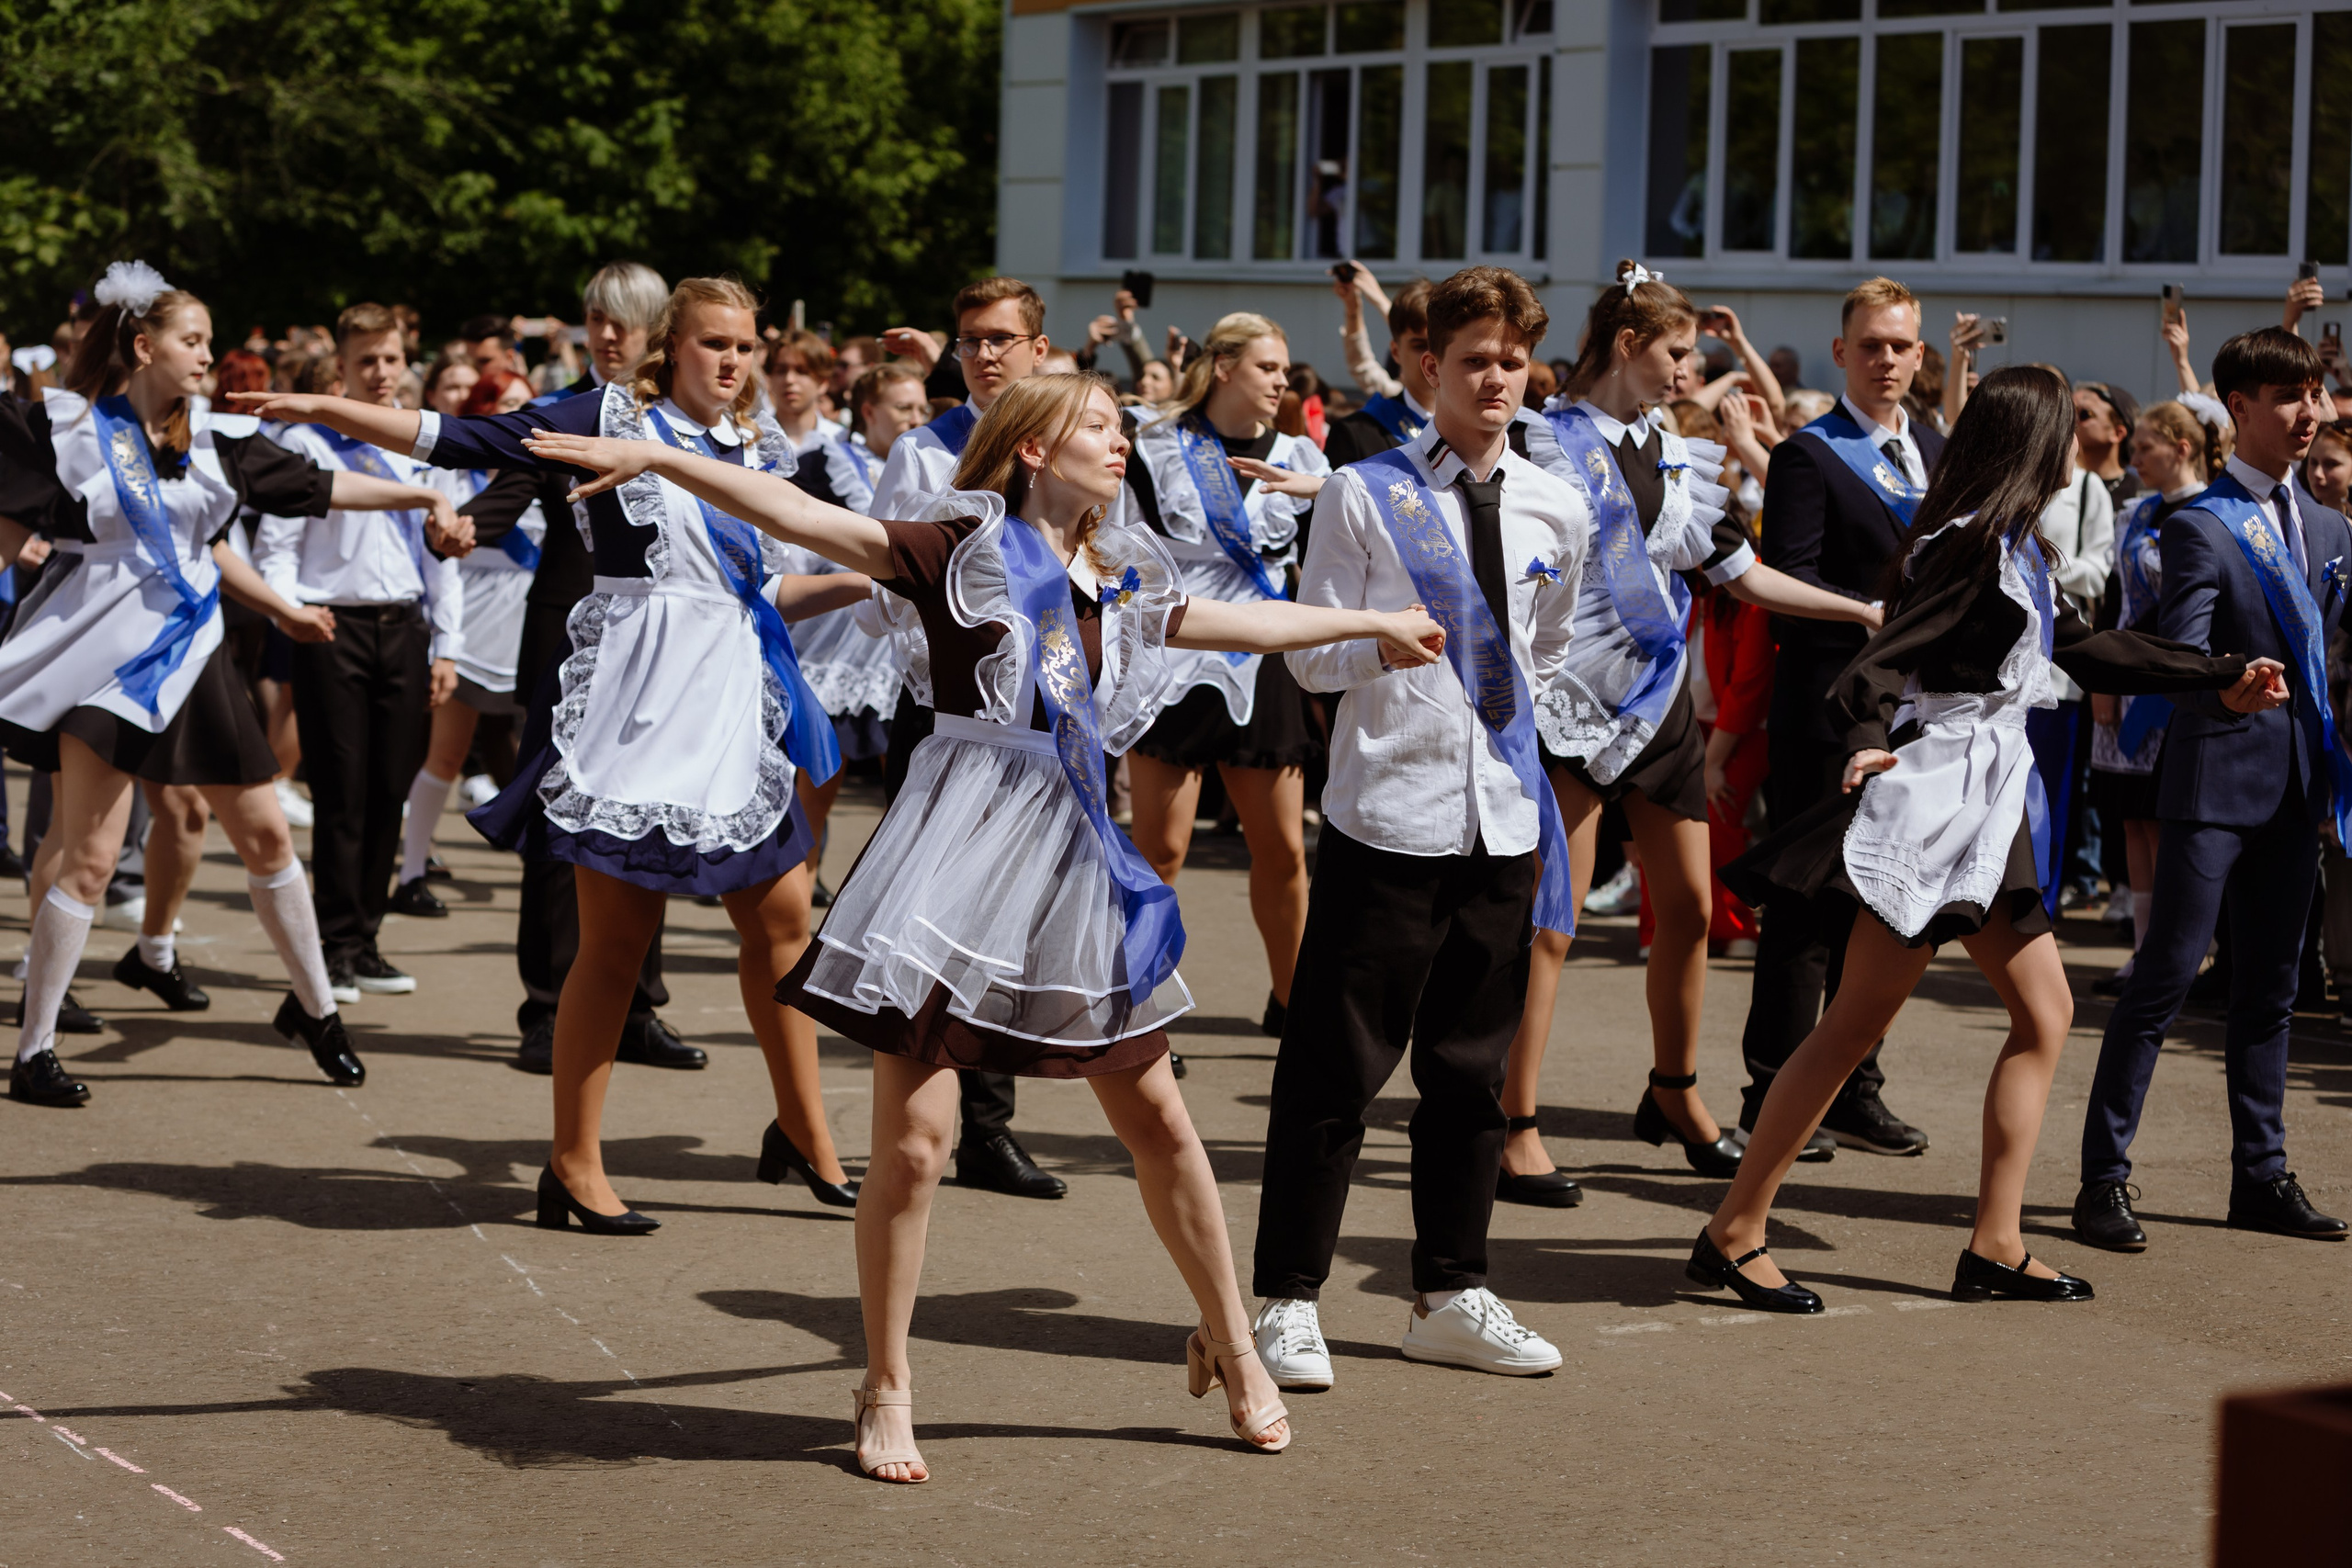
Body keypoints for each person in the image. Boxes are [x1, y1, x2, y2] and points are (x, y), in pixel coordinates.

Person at [526, 372, 1451, 1480]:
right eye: (1097, 429)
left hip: (1068, 861)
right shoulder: (955, 548)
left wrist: (1374, 620)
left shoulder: (1111, 579)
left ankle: (1233, 1344)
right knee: (915, 1148)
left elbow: (1242, 622)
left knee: (1158, 1120)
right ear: (1028, 449)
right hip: (952, 859)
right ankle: (885, 1384)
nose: (1119, 445)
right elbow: (806, 518)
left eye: (1120, 428)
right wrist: (667, 461)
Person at [233, 276, 870, 1222]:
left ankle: (803, 1130)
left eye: (745, 347)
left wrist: (866, 586)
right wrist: (330, 407)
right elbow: (462, 441)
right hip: (637, 705)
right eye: (713, 344)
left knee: (782, 925)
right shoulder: (604, 414)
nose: (733, 363)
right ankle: (573, 1164)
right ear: (670, 345)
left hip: (735, 700)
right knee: (615, 944)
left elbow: (753, 596)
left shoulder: (755, 447)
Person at [1696, 367, 2282, 1313]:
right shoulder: (1966, 545)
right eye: (2066, 432)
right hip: (1934, 800)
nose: (2082, 448)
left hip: (1988, 806)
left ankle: (1995, 1244)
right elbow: (1882, 658)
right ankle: (1733, 1231)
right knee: (1850, 1026)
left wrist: (2214, 673)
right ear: (2033, 444)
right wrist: (1862, 741)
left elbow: (2088, 648)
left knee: (2041, 1016)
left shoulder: (2019, 550)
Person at [1, 262, 457, 1105]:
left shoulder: (210, 438)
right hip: (101, 659)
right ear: (144, 347)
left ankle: (316, 1009)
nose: (208, 354)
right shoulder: (64, 426)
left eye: (210, 340)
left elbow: (320, 488)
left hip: (192, 656)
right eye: (194, 339)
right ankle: (35, 1050)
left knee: (268, 840)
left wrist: (418, 491)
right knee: (92, 860)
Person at [1253, 265, 1586, 1390]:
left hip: (1498, 822)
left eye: (1511, 360)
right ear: (1426, 366)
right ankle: (1287, 1299)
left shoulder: (1557, 504)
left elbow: (1542, 657)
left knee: (1470, 1074)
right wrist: (1374, 644)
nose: (1494, 379)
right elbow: (1306, 649)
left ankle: (1451, 1287)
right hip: (1386, 815)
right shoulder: (1361, 490)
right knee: (1333, 1073)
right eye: (1472, 359)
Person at [1499, 263, 1883, 1201]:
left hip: (1660, 701)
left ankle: (1672, 1093)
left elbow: (1739, 572)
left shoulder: (1673, 449)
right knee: (1552, 923)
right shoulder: (1541, 438)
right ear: (1630, 346)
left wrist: (1860, 612)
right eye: (1677, 352)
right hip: (1570, 707)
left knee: (1693, 913)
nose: (1688, 370)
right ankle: (1513, 1124)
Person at [2075, 327, 2352, 1252]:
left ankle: (2260, 1176)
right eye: (2287, 397)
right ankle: (2102, 1180)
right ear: (2237, 410)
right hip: (2210, 783)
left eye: (2313, 395)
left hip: (2295, 785)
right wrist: (2223, 677)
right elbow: (2176, 652)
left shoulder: (2327, 527)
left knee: (2271, 991)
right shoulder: (2197, 524)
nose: (2308, 413)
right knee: (2162, 981)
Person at [449, 262, 699, 1074]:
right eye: (596, 316)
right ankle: (547, 1009)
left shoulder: (680, 418)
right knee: (559, 827)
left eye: (623, 319)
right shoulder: (569, 410)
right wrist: (462, 527)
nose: (606, 333)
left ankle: (638, 1008)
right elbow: (510, 482)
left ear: (656, 329)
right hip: (569, 638)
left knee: (651, 818)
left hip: (665, 643)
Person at [865, 276, 1069, 1201]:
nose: (984, 354)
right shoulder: (923, 450)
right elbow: (882, 592)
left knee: (1016, 916)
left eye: (1001, 339)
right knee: (938, 915)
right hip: (952, 710)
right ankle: (929, 1114)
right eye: (970, 339)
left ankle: (987, 1121)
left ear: (1037, 347)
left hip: (1043, 715)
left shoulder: (1067, 443)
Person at [1737, 276, 1948, 1162]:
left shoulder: (1933, 443)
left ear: (1920, 352)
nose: (1887, 360)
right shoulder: (1808, 454)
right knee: (1805, 909)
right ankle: (1772, 1089)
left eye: (1901, 346)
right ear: (1842, 353)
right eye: (1871, 345)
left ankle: (1855, 1087)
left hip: (1914, 715)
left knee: (1887, 908)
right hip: (1828, 711)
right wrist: (1877, 611)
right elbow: (1788, 586)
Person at [252, 302, 464, 1000]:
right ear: (340, 366)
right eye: (365, 360)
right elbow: (276, 546)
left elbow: (444, 556)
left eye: (391, 359)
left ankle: (367, 937)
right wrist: (290, 610)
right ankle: (333, 947)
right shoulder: (310, 444)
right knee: (341, 792)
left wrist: (446, 645)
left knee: (388, 789)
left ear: (409, 363)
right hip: (332, 627)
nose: (379, 373)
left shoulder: (427, 445)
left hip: (404, 630)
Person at [1126, 313, 1330, 1038]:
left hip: (1264, 659)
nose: (1282, 381)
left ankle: (1293, 1003)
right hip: (1173, 655)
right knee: (1160, 850)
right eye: (1267, 368)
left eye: (1283, 369)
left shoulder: (1306, 455)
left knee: (1279, 848)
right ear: (1222, 367)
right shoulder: (1155, 445)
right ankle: (1139, 1009)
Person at [390, 365, 546, 918]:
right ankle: (411, 871)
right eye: (507, 404)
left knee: (537, 755)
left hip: (529, 628)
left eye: (529, 405)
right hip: (472, 628)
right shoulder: (460, 472)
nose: (522, 415)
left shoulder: (548, 465)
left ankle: (549, 866)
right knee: (447, 754)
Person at [2087, 397, 2233, 995]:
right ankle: (2143, 950)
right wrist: (2101, 676)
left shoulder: (2215, 512)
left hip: (2177, 686)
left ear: (2184, 447)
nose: (2136, 458)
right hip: (2126, 678)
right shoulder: (2135, 511)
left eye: (2146, 447)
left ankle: (2182, 953)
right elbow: (2112, 599)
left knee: (2168, 819)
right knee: (2131, 820)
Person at [1322, 280, 1433, 468]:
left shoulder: (1478, 427)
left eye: (1439, 346)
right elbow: (1361, 364)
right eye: (1419, 346)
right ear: (1396, 352)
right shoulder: (1354, 433)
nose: (1430, 358)